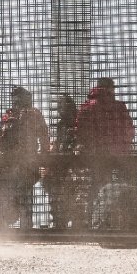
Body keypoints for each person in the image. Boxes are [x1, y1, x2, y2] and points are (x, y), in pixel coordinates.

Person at [0, 86, 50, 229]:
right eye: (15, 96)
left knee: (21, 196)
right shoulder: (12, 115)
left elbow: (44, 137)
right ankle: (20, 227)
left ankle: (24, 228)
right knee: (18, 196)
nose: (16, 100)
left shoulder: (26, 114)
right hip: (15, 163)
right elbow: (44, 137)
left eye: (18, 96)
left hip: (23, 163)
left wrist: (44, 157)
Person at [75, 77, 135, 201]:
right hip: (120, 158)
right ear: (111, 89)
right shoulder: (120, 107)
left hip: (96, 157)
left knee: (96, 191)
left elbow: (81, 133)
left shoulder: (87, 108)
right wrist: (124, 147)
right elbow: (130, 131)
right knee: (121, 192)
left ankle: (94, 217)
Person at [48, 94, 82, 230]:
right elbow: (58, 142)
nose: (59, 110)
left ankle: (74, 223)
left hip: (74, 165)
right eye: (58, 107)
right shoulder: (61, 124)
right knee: (59, 194)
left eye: (62, 106)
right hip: (61, 164)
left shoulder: (77, 122)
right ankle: (59, 222)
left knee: (73, 194)